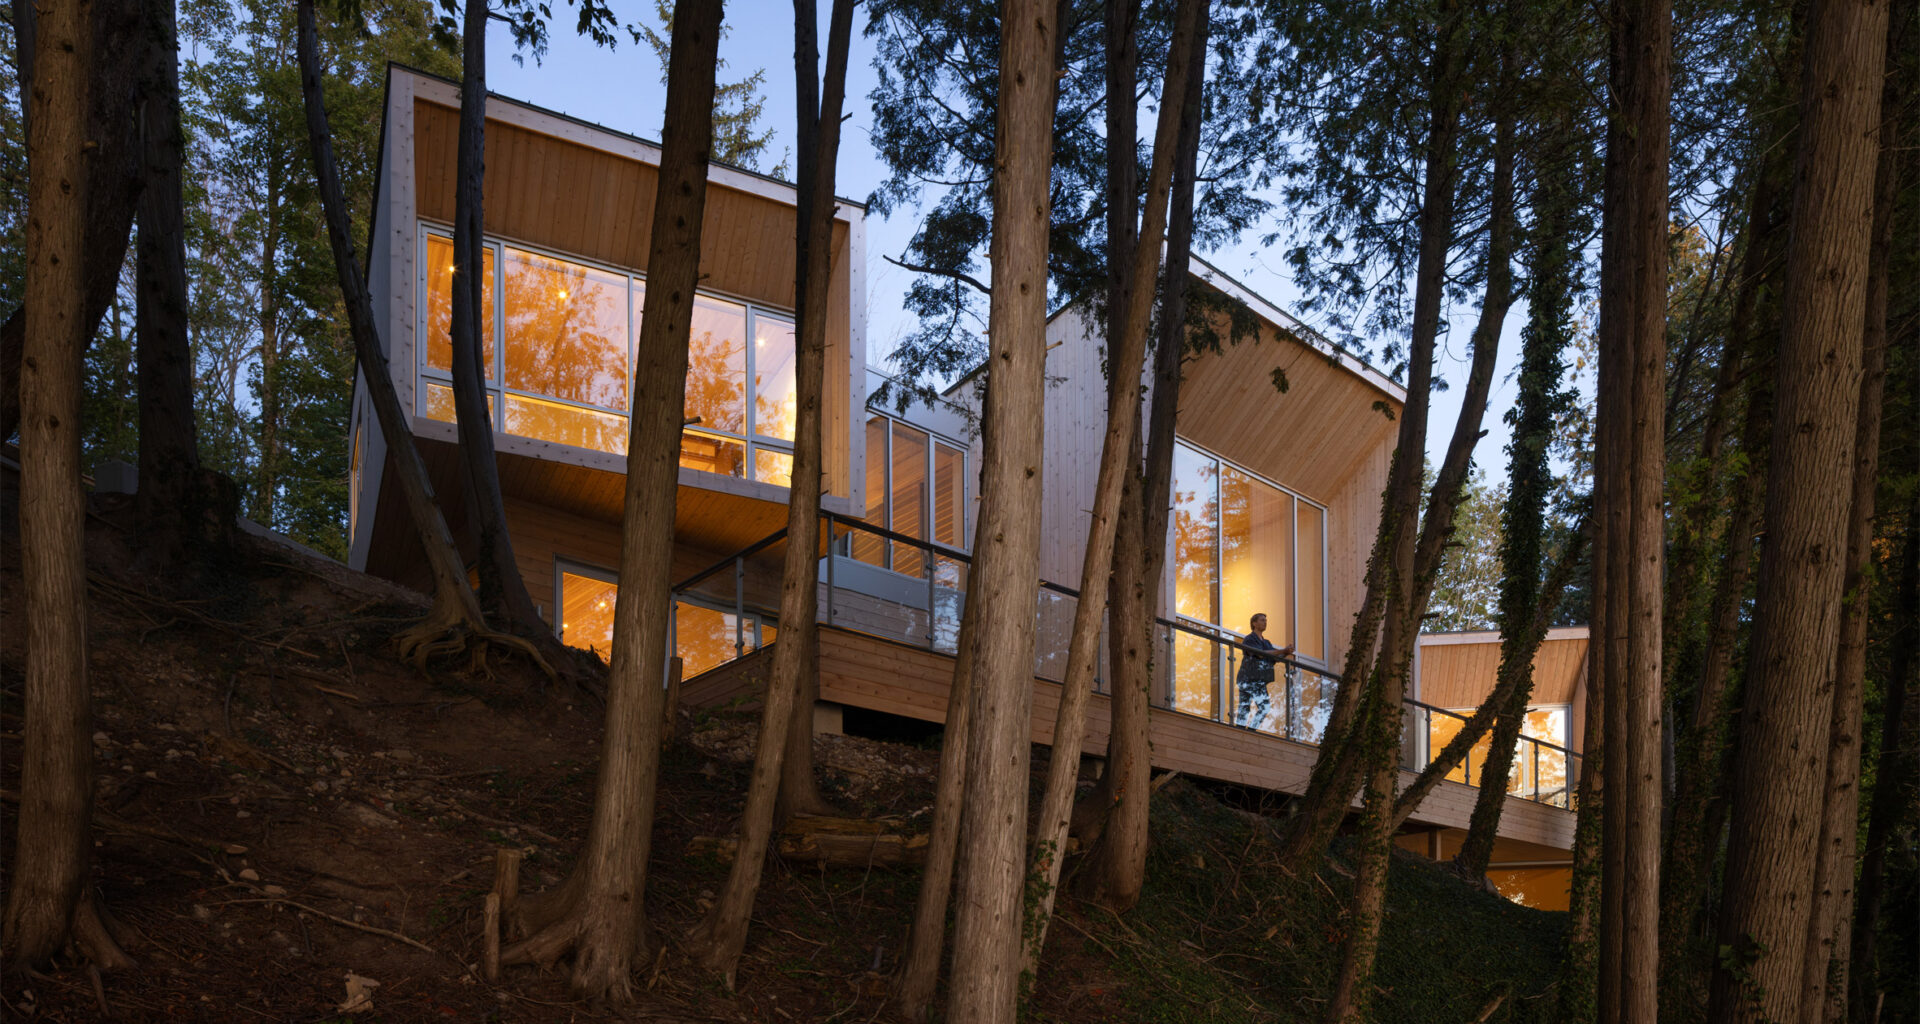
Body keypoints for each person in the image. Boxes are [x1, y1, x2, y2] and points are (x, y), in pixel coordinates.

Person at [1234, 613, 1294, 728]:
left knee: (1257, 706)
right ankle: (1241, 730)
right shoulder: (1249, 639)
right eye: (1262, 620)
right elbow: (1260, 654)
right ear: (1254, 623)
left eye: (1265, 620)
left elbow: (1274, 658)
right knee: (1246, 706)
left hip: (1258, 679)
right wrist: (1282, 650)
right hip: (1248, 678)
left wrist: (1286, 652)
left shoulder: (1266, 642)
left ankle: (1250, 730)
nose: (1265, 622)